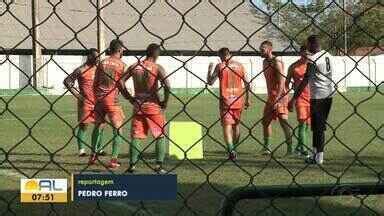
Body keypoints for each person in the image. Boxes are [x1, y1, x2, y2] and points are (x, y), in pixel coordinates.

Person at [120, 43, 170, 174]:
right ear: (156, 54)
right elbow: (168, 86)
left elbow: (120, 82)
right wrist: (165, 101)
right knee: (160, 135)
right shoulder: (157, 67)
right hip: (153, 106)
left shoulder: (135, 66)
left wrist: (129, 98)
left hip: (138, 105)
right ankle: (159, 166)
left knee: (136, 137)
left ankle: (132, 166)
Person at [288, 35, 335, 165]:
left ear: (312, 44)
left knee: (318, 128)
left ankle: (318, 157)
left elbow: (305, 80)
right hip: (329, 94)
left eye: (308, 45)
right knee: (317, 127)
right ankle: (315, 155)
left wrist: (293, 99)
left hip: (318, 96)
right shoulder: (328, 55)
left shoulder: (313, 59)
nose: (307, 47)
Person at [89, 39, 128, 169]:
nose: (123, 51)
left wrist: (96, 97)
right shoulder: (122, 65)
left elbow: (95, 83)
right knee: (118, 130)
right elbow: (121, 84)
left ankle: (92, 156)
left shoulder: (102, 62)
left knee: (98, 126)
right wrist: (128, 97)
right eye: (123, 49)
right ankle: (113, 160)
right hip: (112, 101)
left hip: (99, 99)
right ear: (119, 49)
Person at [207, 47, 250, 161]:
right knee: (236, 125)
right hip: (238, 100)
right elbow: (247, 83)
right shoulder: (240, 65)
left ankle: (231, 149)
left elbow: (210, 82)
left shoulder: (220, 66)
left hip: (226, 101)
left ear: (221, 55)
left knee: (227, 126)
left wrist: (209, 70)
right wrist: (247, 99)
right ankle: (234, 149)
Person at [63, 48, 105, 157]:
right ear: (89, 56)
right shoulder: (80, 70)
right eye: (95, 56)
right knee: (84, 126)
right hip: (85, 102)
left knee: (100, 125)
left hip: (98, 102)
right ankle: (81, 150)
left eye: (98, 57)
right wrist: (77, 95)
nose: (97, 59)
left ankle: (98, 149)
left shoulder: (99, 69)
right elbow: (67, 81)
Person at [259, 40, 292, 156]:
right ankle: (267, 147)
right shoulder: (264, 62)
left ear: (269, 49)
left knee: (283, 121)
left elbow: (282, 82)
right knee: (265, 122)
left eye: (262, 50)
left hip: (280, 96)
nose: (260, 52)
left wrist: (278, 98)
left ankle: (290, 149)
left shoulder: (276, 62)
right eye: (260, 49)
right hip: (271, 96)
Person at [286, 45, 310, 157]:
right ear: (300, 53)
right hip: (299, 98)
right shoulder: (293, 67)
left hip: (312, 98)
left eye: (308, 52)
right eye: (304, 52)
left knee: (307, 126)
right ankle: (304, 151)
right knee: (302, 123)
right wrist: (291, 89)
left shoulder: (313, 65)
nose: (306, 54)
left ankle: (298, 147)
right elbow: (286, 83)